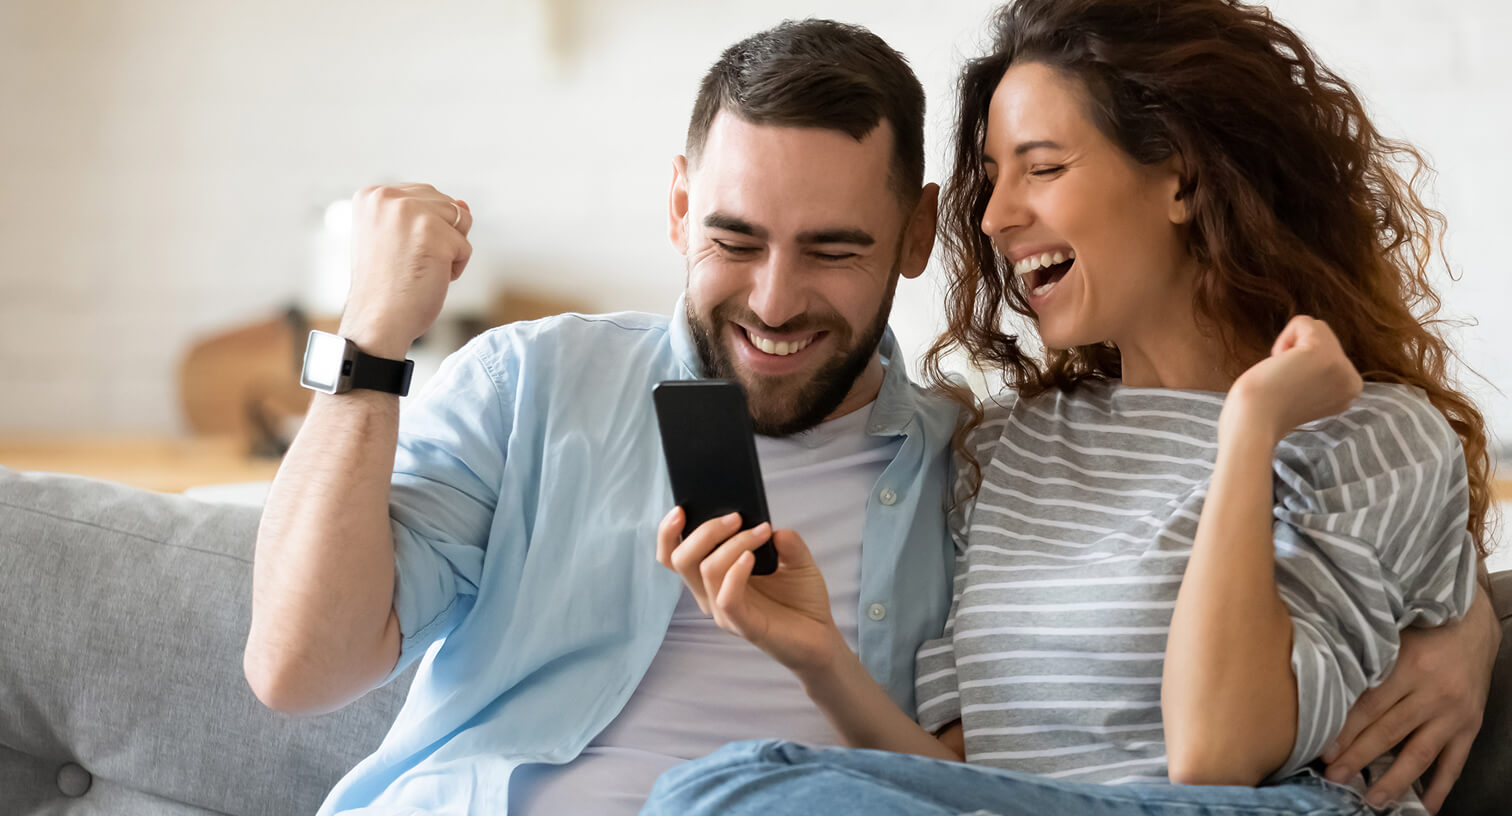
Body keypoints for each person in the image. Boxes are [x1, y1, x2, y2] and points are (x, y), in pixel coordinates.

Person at [641, 2, 1501, 816]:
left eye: (1043, 168)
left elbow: (1216, 757)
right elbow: (968, 785)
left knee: (730, 794)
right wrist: (817, 654)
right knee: (729, 789)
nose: (995, 216)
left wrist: (1248, 431)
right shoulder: (1014, 445)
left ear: (1183, 178)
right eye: (991, 178)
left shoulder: (1368, 432)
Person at [245, 20, 959, 815]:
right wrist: (369, 337)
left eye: (832, 252)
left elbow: (978, 782)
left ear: (917, 233)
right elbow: (299, 667)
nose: (774, 302)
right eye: (735, 240)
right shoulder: (531, 384)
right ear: (682, 208)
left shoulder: (973, 476)